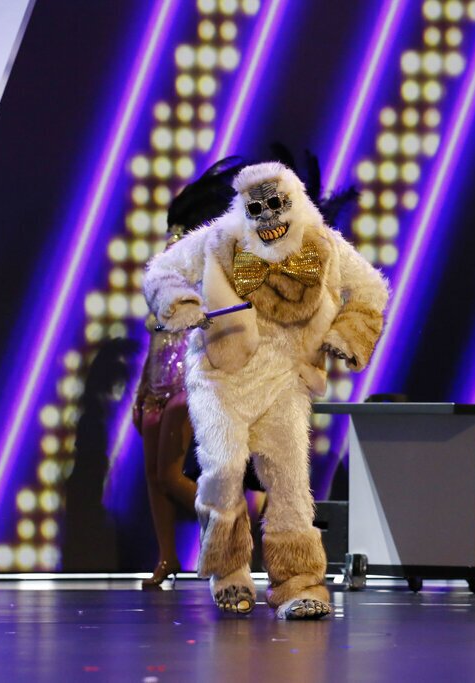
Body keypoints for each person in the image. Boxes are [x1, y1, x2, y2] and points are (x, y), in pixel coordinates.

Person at [143, 161, 388, 619]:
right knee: (223, 468)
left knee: (291, 482)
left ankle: (299, 583)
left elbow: (373, 288)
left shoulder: (324, 245)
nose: (269, 218)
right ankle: (229, 570)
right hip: (222, 372)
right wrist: (183, 301)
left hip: (284, 376)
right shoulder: (220, 239)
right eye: (258, 208)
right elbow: (160, 271)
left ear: (293, 204)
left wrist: (347, 335)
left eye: (277, 205)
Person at [133, 158, 243, 588]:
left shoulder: (205, 263)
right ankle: (166, 560)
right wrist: (142, 388)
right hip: (156, 381)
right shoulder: (166, 265)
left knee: (168, 475)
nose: (172, 240)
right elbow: (154, 332)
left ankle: (232, 524)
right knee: (153, 478)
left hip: (186, 379)